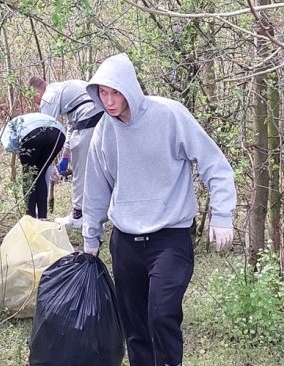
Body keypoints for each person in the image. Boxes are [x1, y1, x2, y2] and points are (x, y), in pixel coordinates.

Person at [82, 53, 236, 366]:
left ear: (129, 89)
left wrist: (222, 215)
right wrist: (90, 234)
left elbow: (214, 165)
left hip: (170, 236)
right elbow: (96, 185)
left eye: (115, 92)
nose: (109, 101)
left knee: (161, 313)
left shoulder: (169, 115)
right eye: (103, 94)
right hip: (125, 241)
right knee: (135, 325)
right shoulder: (104, 131)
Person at [29, 77, 103, 229]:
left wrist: (49, 164)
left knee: (80, 171)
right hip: (100, 118)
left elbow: (45, 132)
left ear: (37, 91)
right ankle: (94, 213)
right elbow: (71, 125)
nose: (36, 103)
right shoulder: (62, 89)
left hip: (89, 121)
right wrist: (65, 156)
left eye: (33, 98)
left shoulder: (49, 98)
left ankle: (78, 215)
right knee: (96, 170)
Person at [0, 112, 65, 219]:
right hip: (58, 133)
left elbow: (9, 145)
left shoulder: (7, 128)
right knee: (40, 174)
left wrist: (23, 157)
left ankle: (30, 218)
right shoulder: (22, 119)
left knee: (29, 176)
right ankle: (42, 218)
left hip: (32, 133)